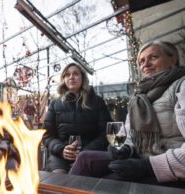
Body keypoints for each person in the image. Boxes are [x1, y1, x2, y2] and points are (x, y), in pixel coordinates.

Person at [69, 40, 185, 187]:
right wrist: (125, 148)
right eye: (141, 61)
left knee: (103, 184)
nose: (145, 64)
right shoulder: (139, 97)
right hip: (140, 157)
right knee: (85, 158)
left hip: (169, 166)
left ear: (173, 60)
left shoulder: (181, 86)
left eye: (153, 57)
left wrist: (147, 166)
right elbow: (129, 135)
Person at [42, 62, 112, 173]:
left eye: (75, 74)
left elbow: (107, 133)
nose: (71, 77)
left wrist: (85, 152)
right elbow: (46, 135)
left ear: (82, 78)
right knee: (59, 179)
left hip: (89, 155)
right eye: (67, 74)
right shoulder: (55, 104)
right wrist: (61, 149)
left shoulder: (97, 102)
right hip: (61, 156)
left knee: (80, 181)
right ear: (64, 79)